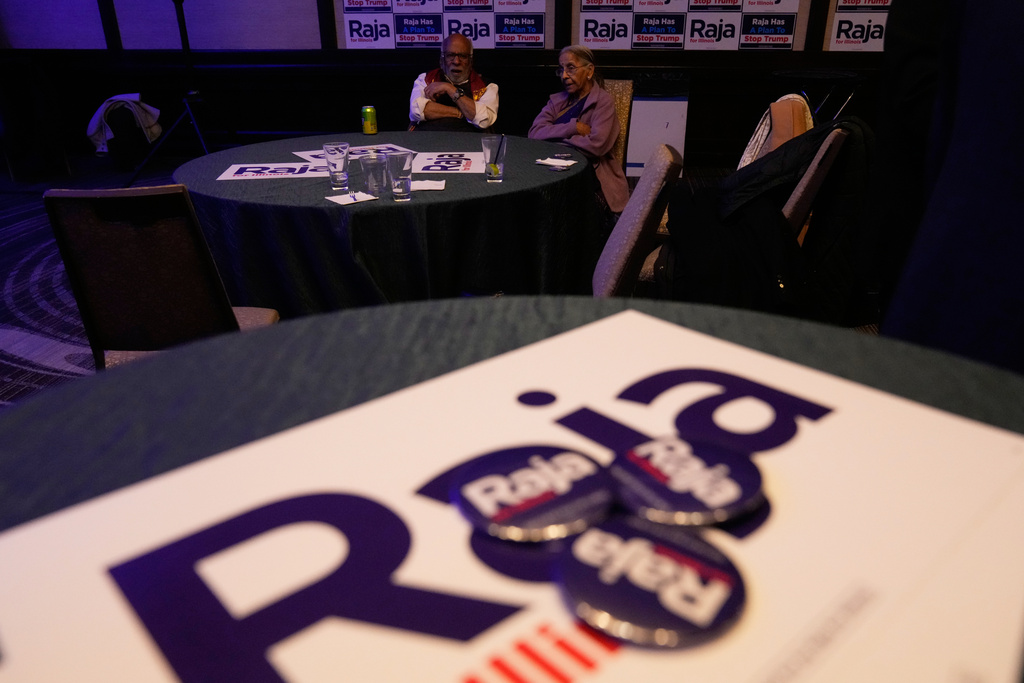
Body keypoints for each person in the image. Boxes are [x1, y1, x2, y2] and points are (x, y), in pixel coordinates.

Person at [528, 45, 629, 217]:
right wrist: (573, 127)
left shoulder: (603, 102)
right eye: (561, 69)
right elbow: (535, 133)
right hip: (553, 168)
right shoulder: (557, 101)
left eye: (571, 68)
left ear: (589, 71)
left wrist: (555, 141)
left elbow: (597, 145)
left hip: (591, 176)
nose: (564, 75)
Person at [409, 33, 499, 133]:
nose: (456, 61)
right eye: (450, 55)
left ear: (471, 61)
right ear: (441, 60)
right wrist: (460, 112)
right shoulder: (426, 79)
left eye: (463, 56)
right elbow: (417, 111)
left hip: (471, 145)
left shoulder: (487, 86)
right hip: (428, 142)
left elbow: (484, 119)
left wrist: (450, 89)